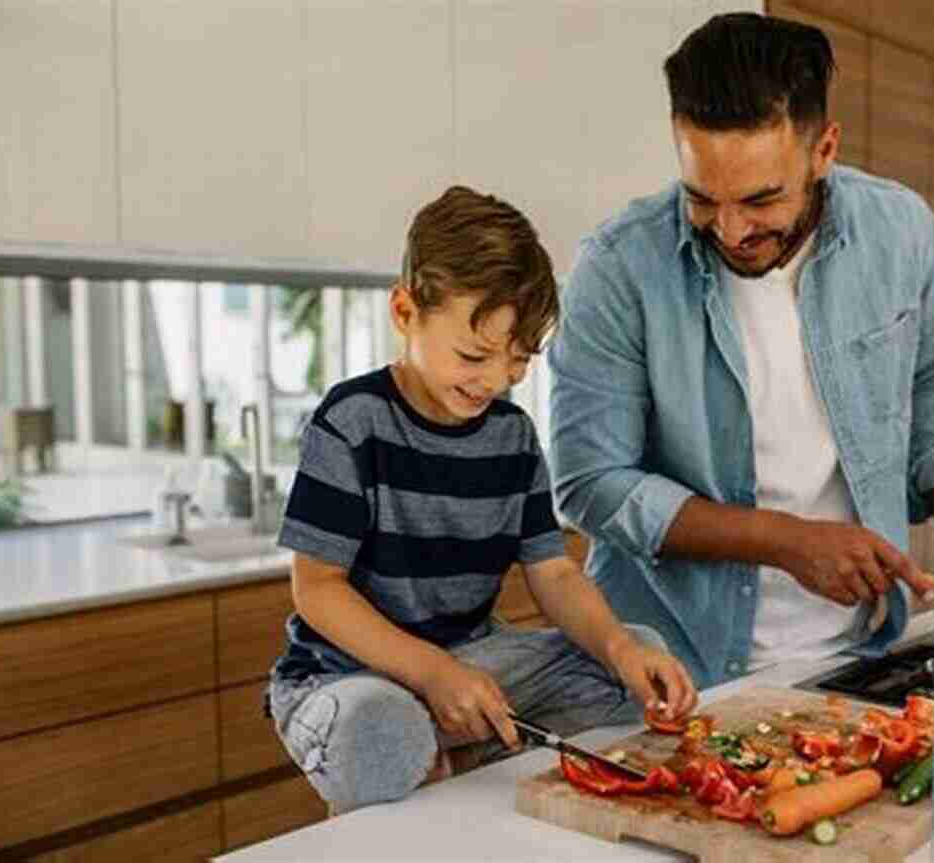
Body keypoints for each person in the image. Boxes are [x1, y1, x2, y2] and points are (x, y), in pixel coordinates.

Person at [548, 13, 934, 689]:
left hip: (860, 652)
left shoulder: (903, 230)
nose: (731, 231)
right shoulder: (618, 267)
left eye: (761, 199)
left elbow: (927, 375)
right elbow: (590, 482)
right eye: (702, 197)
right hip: (671, 666)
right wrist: (784, 540)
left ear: (824, 149)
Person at [267, 186, 697, 815]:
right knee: (382, 732)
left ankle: (453, 752)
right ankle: (442, 751)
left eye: (518, 361)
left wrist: (621, 650)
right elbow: (318, 588)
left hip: (469, 659)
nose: (495, 380)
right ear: (405, 310)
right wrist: (430, 674)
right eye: (474, 355)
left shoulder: (513, 435)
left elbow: (552, 572)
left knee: (633, 658)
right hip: (346, 675)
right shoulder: (352, 420)